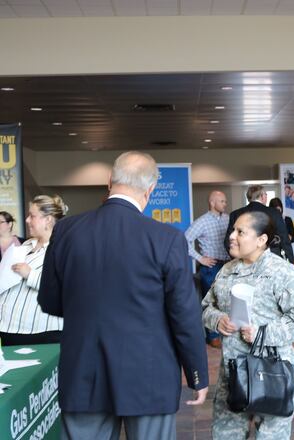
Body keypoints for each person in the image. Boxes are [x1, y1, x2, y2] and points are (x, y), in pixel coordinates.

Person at [39, 151, 209, 440]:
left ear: (109, 181)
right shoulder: (166, 239)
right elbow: (184, 314)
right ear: (151, 189)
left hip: (83, 373)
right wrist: (197, 374)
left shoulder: (67, 230)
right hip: (148, 376)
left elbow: (50, 300)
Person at [202, 211, 294, 439]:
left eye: (240, 232)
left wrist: (262, 334)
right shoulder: (227, 270)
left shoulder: (281, 271)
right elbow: (206, 307)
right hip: (233, 375)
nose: (231, 236)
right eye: (232, 230)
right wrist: (217, 320)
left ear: (261, 240)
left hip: (272, 373)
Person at [0, 196, 66, 345]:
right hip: (8, 329)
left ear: (48, 219)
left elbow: (67, 286)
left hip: (41, 332)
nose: (27, 220)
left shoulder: (64, 247)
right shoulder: (25, 245)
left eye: (32, 216)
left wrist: (30, 275)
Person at [185, 190, 230, 348]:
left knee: (226, 302)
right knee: (211, 303)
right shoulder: (202, 221)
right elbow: (184, 240)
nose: (225, 204)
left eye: (225, 201)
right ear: (212, 202)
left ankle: (225, 333)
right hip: (210, 267)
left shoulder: (228, 219)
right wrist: (200, 258)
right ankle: (212, 336)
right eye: (222, 201)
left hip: (227, 266)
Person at [224, 185, 294, 263]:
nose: (266, 197)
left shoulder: (235, 214)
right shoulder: (274, 213)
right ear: (262, 196)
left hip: (245, 263)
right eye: (266, 195)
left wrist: (239, 260)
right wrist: (290, 262)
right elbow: (284, 239)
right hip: (271, 262)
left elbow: (228, 241)